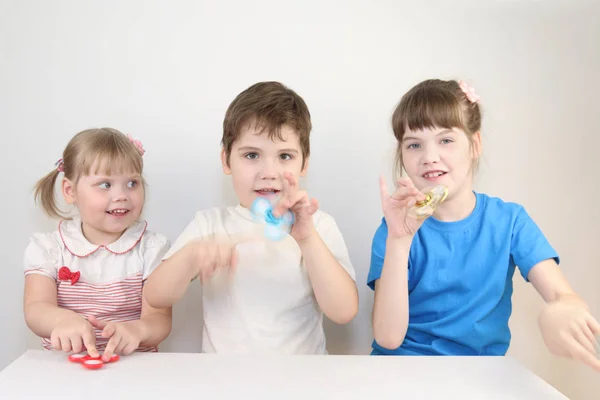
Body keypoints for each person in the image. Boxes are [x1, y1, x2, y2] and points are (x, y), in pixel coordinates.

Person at [368, 78, 600, 371]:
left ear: (474, 144)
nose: (429, 157)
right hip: (401, 371)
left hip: (482, 375)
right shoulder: (393, 228)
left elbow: (561, 294)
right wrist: (399, 243)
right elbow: (388, 338)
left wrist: (561, 311)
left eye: (446, 140)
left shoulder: (510, 221)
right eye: (414, 145)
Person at [24, 127, 172, 362]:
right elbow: (36, 308)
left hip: (134, 366)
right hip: (65, 367)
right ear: (70, 191)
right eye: (105, 184)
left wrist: (139, 330)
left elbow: (159, 319)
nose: (122, 195)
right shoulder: (50, 248)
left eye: (132, 183)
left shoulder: (151, 248)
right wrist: (61, 320)